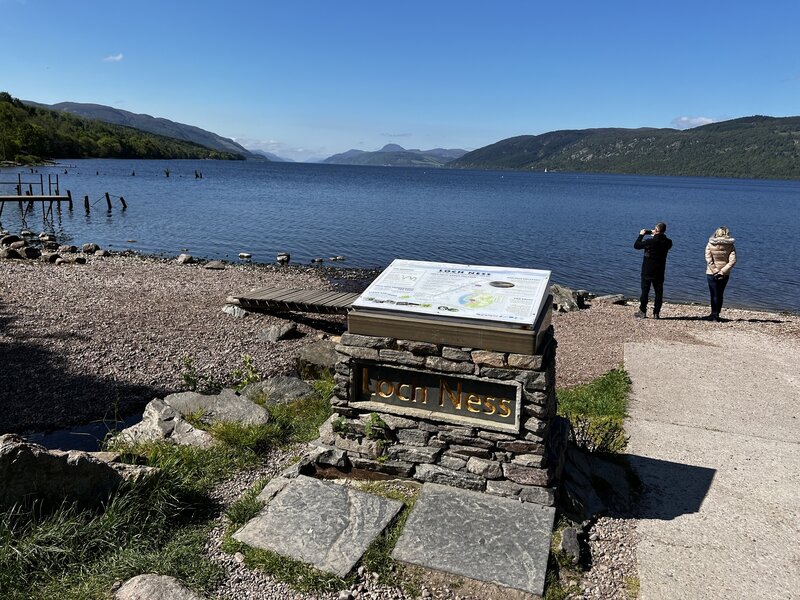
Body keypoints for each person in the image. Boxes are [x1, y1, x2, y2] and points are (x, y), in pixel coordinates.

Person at [634, 222, 672, 319]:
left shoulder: (650, 241)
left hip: (647, 270)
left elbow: (636, 245)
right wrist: (657, 235)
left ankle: (642, 311)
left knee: (645, 291)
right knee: (658, 293)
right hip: (660, 270)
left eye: (655, 229)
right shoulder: (668, 242)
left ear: (656, 230)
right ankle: (656, 313)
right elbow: (662, 241)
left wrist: (641, 234)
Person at [704, 226, 737, 321]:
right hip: (725, 274)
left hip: (711, 272)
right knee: (720, 293)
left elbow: (708, 259)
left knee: (713, 293)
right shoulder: (730, 245)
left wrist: (715, 270)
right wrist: (722, 271)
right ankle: (716, 314)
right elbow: (732, 261)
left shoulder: (710, 244)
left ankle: (713, 314)